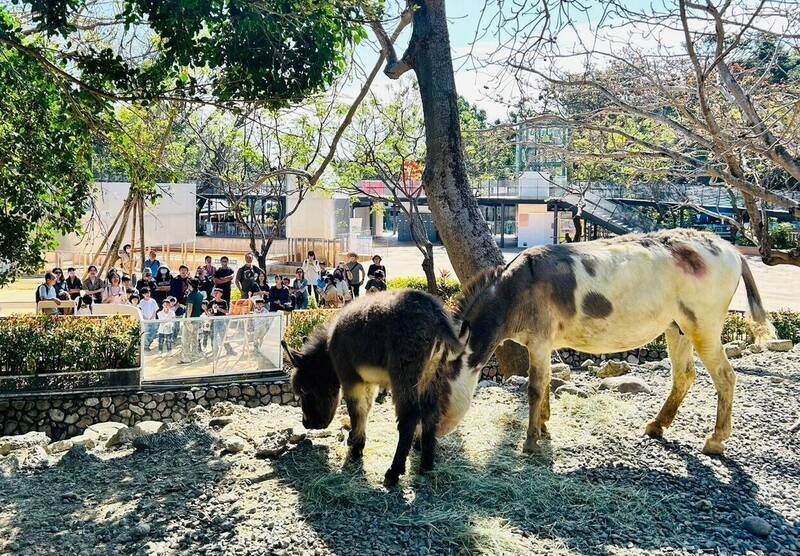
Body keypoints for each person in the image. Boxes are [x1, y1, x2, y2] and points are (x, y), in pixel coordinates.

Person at [209, 288, 236, 357]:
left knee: (224, 337)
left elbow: (227, 312)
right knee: (214, 337)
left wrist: (219, 308)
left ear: (220, 294)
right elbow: (208, 311)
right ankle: (215, 352)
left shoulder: (223, 302)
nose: (215, 294)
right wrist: (210, 313)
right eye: (214, 293)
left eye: (216, 293)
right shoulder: (212, 302)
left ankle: (229, 350)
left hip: (221, 321)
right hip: (214, 321)